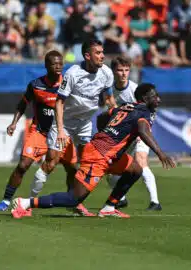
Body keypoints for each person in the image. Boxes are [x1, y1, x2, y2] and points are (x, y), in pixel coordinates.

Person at [11, 83, 175, 219]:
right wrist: (160, 154)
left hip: (107, 152)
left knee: (135, 170)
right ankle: (25, 203)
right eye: (155, 96)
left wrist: (107, 133)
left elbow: (102, 117)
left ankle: (109, 207)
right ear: (145, 99)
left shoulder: (126, 106)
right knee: (73, 199)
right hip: (99, 155)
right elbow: (143, 130)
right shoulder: (144, 111)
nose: (158, 100)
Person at [28, 39, 117, 216]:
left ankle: (77, 203)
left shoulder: (106, 73)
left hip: (85, 123)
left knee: (87, 164)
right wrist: (60, 130)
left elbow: (109, 98)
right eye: (98, 53)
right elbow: (59, 102)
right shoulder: (72, 74)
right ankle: (28, 203)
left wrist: (113, 113)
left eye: (102, 52)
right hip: (65, 123)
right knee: (51, 162)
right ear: (87, 55)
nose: (102, 56)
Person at [0, 50, 77, 212]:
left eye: (61, 64)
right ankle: (5, 200)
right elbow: (23, 104)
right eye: (54, 64)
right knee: (23, 165)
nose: (58, 67)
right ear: (46, 66)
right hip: (40, 132)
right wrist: (14, 123)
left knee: (72, 168)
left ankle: (72, 202)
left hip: (61, 133)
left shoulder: (68, 84)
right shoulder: (36, 85)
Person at [106, 56, 162, 210]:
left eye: (126, 70)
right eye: (120, 70)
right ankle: (121, 198)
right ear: (113, 71)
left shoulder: (135, 90)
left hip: (139, 132)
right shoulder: (109, 90)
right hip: (122, 135)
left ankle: (155, 202)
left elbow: (151, 110)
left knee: (141, 161)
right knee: (109, 169)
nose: (123, 74)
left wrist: (144, 129)